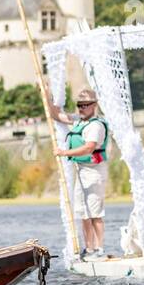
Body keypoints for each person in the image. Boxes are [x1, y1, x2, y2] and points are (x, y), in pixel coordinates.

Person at [51, 88, 109, 258]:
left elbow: (89, 148)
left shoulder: (96, 125)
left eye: (85, 105)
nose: (81, 108)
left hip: (94, 171)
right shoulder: (79, 120)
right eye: (79, 105)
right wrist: (47, 93)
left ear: (94, 105)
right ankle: (89, 248)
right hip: (81, 170)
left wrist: (64, 153)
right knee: (83, 212)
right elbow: (57, 115)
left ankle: (99, 249)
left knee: (94, 211)